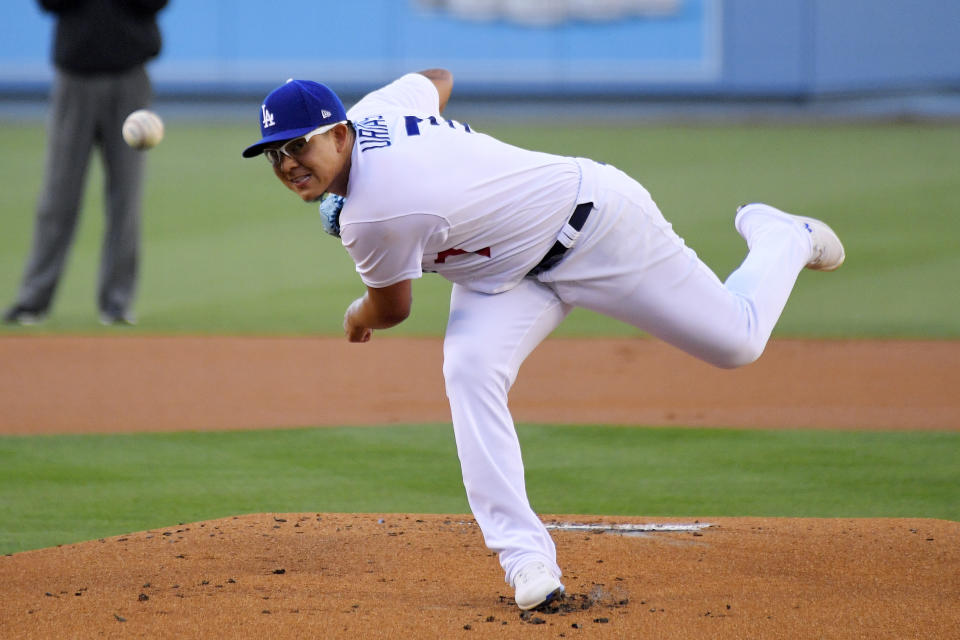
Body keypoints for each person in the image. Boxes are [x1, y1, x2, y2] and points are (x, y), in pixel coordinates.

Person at [241, 69, 845, 610]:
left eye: (300, 145)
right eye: (275, 154)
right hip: (498, 279)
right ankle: (525, 560)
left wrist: (356, 315)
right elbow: (437, 78)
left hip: (595, 227)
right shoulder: (377, 109)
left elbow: (391, 309)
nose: (288, 163)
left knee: (737, 341)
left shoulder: (372, 216)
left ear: (341, 135)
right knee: (470, 373)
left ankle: (780, 236)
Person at [3, 0, 169, 326]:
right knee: (58, 195)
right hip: (74, 74)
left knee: (126, 196)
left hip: (130, 76)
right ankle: (32, 301)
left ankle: (117, 304)